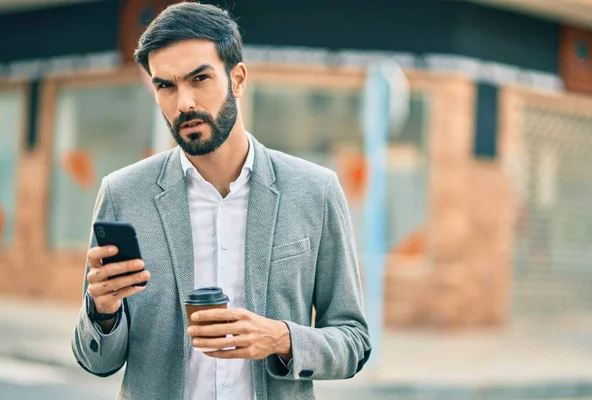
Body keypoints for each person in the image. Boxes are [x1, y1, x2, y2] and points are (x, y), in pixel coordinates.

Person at [71, 2, 370, 399]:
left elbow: (354, 341)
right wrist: (102, 310)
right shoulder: (124, 194)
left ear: (238, 79)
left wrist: (281, 338)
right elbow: (97, 361)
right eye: (166, 85)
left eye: (200, 79)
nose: (184, 103)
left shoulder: (315, 191)